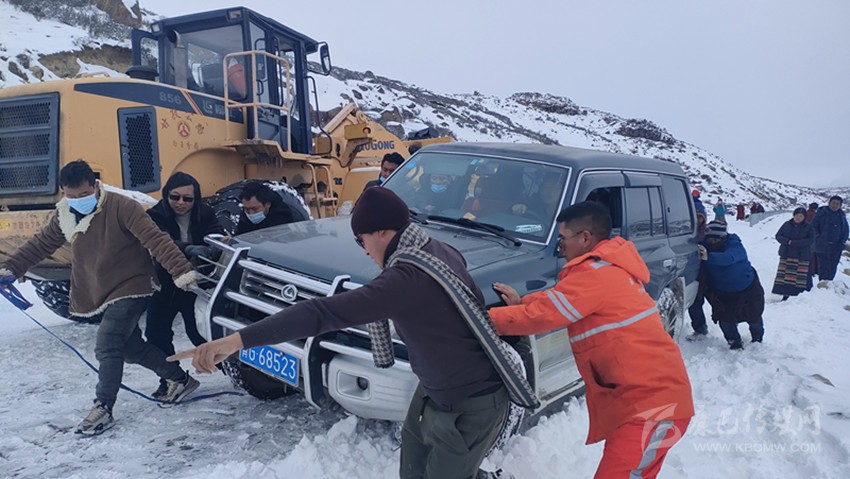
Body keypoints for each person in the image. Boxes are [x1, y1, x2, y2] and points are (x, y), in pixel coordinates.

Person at [170, 187, 538, 479]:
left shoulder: (406, 278)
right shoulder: (434, 249)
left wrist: (235, 341)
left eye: (361, 240)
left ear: (382, 231)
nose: (363, 251)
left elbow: (321, 313)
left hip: (472, 403)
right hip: (432, 391)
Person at [489, 201, 693, 479]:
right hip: (643, 403)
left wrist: (486, 320)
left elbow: (546, 315)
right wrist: (522, 302)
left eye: (562, 238)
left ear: (585, 237)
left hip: (653, 407)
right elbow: (560, 299)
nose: (560, 246)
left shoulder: (597, 274)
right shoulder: (605, 270)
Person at [0, 160, 200, 436]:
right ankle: (180, 379)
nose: (78, 200)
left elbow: (155, 239)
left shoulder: (122, 207)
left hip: (133, 284)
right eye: (71, 196)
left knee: (107, 344)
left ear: (95, 186)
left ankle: (103, 407)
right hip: (102, 289)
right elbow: (40, 244)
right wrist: (11, 268)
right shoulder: (65, 214)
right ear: (63, 193)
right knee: (129, 348)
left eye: (84, 194)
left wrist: (181, 270)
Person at [145, 172, 224, 398]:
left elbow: (216, 233)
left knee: (200, 333)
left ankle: (237, 371)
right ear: (166, 195)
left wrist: (214, 245)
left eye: (188, 198)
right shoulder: (154, 215)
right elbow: (160, 242)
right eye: (175, 197)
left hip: (196, 284)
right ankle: (171, 378)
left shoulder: (205, 212)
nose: (181, 203)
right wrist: (189, 249)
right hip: (165, 284)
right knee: (156, 335)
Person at [699, 221, 764, 350]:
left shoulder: (734, 244)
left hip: (748, 287)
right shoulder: (703, 246)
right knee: (725, 320)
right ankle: (734, 343)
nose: (713, 242)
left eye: (716, 239)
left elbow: (730, 257)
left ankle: (757, 339)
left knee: (754, 316)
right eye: (710, 239)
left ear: (724, 237)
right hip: (722, 291)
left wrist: (709, 257)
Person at [771, 207, 814, 300]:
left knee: (799, 278)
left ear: (804, 217)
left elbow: (811, 240)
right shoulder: (786, 224)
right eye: (797, 215)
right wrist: (787, 241)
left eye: (801, 216)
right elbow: (778, 236)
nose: (798, 218)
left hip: (801, 255)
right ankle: (785, 295)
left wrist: (795, 243)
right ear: (793, 215)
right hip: (787, 254)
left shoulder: (809, 227)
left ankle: (798, 297)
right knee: (786, 277)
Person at [811, 195, 849, 282]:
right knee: (823, 268)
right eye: (833, 203)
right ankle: (823, 285)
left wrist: (842, 242)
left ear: (840, 205)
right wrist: (819, 237)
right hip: (822, 246)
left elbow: (846, 230)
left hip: (836, 247)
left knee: (832, 267)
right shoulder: (821, 213)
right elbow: (813, 226)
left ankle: (830, 284)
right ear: (829, 203)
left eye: (837, 204)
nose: (835, 205)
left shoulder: (841, 215)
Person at [686, 210, 711, 341]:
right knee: (695, 302)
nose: (697, 219)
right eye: (695, 216)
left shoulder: (708, 232)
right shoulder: (686, 232)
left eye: (700, 217)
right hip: (695, 272)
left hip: (710, 271)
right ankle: (700, 329)